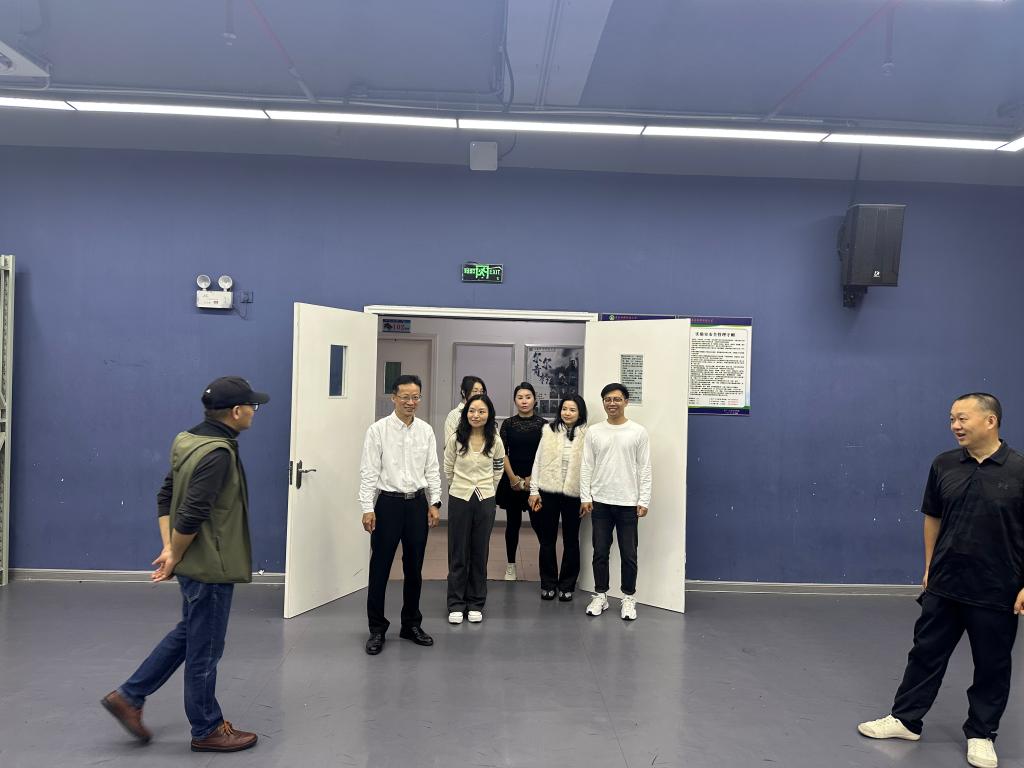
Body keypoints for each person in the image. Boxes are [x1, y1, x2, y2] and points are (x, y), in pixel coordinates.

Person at [101, 376, 269, 753]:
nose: (254, 412)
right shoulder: (218, 454)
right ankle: (207, 728)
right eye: (252, 406)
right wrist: (174, 553)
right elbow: (192, 512)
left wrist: (170, 549)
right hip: (210, 565)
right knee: (205, 648)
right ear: (236, 412)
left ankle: (129, 696)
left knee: (190, 634)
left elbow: (166, 496)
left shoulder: (188, 440)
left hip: (193, 559)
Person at [857, 393, 1024, 768]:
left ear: (990, 421)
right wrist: (930, 566)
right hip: (945, 583)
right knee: (925, 652)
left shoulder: (1019, 470)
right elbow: (932, 516)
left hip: (997, 588)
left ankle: (981, 733)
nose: (955, 426)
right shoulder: (944, 464)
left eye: (962, 418)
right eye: (951, 419)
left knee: (992, 665)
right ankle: (905, 719)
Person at [359, 374, 442, 655]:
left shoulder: (426, 431)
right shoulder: (378, 430)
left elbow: (432, 469)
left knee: (414, 569)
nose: (410, 402)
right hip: (388, 505)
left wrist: (435, 502)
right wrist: (367, 507)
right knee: (380, 568)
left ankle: (411, 625)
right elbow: (369, 471)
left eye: (415, 397)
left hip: (417, 504)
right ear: (393, 398)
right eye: (405, 397)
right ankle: (377, 629)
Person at [579, 383, 651, 621]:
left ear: (626, 402)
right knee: (600, 552)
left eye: (617, 399)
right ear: (603, 402)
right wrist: (585, 496)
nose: (612, 403)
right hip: (600, 501)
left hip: (628, 502)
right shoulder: (594, 432)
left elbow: (644, 468)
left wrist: (644, 499)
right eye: (608, 399)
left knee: (629, 554)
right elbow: (586, 465)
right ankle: (600, 595)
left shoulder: (638, 432)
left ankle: (628, 598)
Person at [444, 393, 505, 624]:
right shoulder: (456, 439)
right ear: (465, 413)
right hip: (459, 497)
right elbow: (448, 467)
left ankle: (476, 602)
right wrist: (457, 487)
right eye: (472, 411)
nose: (476, 415)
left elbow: (498, 468)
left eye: (481, 411)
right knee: (458, 551)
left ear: (489, 414)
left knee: (480, 552)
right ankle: (456, 603)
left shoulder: (495, 440)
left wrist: (489, 488)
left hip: (485, 499)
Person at [528, 394, 589, 601]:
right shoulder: (548, 430)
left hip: (574, 494)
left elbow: (590, 468)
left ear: (580, 412)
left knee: (571, 540)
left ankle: (567, 584)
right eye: (564, 409)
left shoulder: (587, 435)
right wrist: (534, 491)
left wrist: (586, 496)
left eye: (572, 410)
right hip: (549, 491)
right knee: (547, 540)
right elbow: (537, 461)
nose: (567, 413)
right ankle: (548, 583)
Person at [496, 382, 547, 581]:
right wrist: (513, 479)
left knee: (539, 524)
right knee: (513, 524)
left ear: (534, 400)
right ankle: (511, 566)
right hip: (513, 480)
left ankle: (546, 566)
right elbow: (502, 453)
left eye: (528, 397)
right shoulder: (508, 424)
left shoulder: (544, 425)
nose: (524, 401)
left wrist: (533, 479)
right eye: (520, 397)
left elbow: (547, 455)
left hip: (536, 481)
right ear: (515, 401)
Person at [444, 375, 487, 444]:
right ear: (463, 393)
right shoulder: (454, 415)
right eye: (475, 391)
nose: (479, 394)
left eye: (481, 391)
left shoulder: (486, 413)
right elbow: (449, 444)